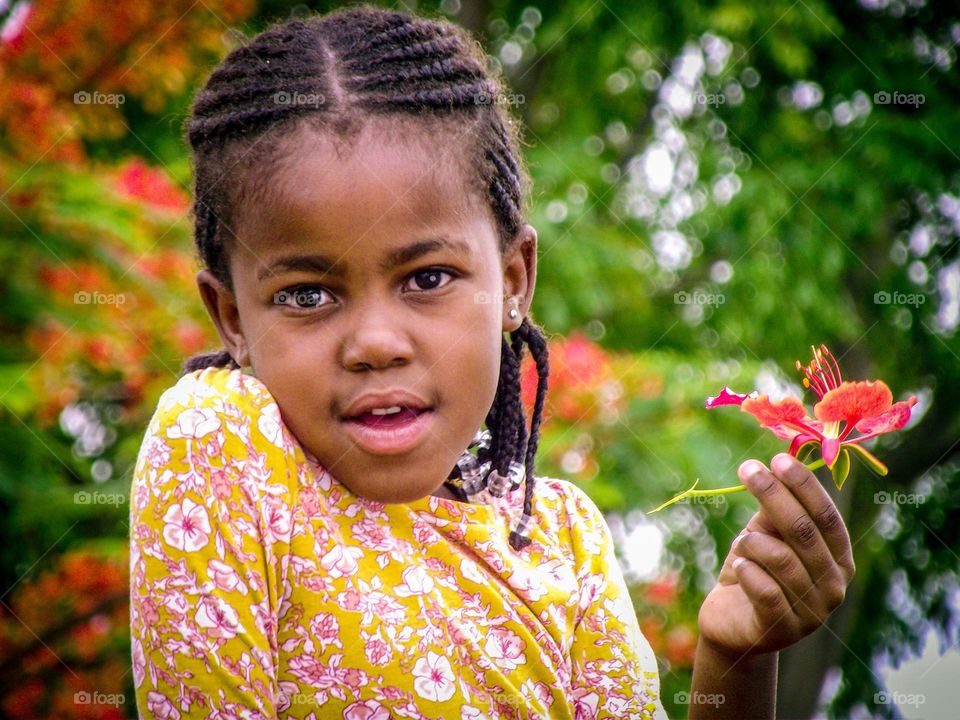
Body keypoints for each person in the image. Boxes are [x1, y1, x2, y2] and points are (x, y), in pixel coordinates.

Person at [128, 4, 856, 718]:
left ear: (514, 281)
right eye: (309, 293)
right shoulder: (221, 440)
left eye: (427, 278)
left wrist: (734, 663)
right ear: (232, 318)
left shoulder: (558, 538)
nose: (376, 343)